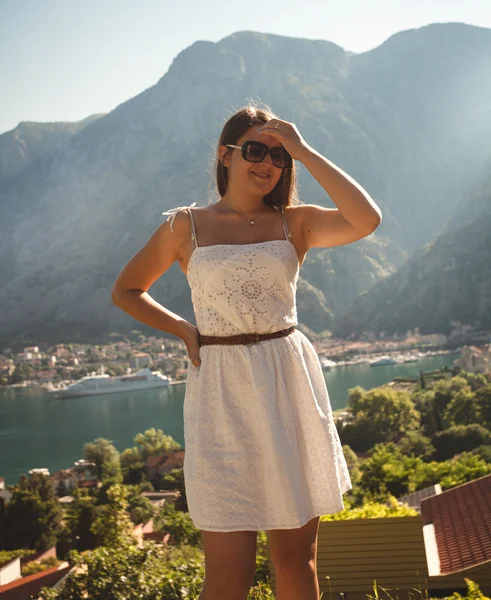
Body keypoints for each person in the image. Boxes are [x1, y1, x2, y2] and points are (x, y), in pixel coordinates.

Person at [112, 103, 382, 600]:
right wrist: (183, 330)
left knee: (295, 562)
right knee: (228, 572)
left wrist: (303, 149)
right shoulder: (184, 226)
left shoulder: (294, 223)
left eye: (279, 157)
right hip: (220, 392)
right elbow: (127, 289)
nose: (267, 163)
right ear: (225, 154)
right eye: (255, 149)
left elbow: (366, 219)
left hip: (288, 384)